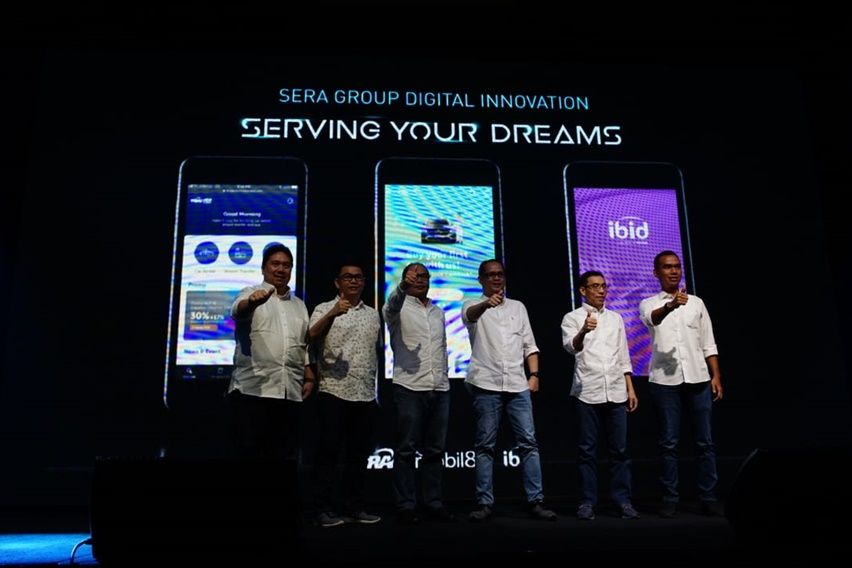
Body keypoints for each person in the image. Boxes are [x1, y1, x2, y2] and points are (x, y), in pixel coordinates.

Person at [463, 259, 557, 522]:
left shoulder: (518, 307)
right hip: (486, 383)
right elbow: (470, 316)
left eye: (500, 274)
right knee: (485, 446)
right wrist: (487, 304)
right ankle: (484, 503)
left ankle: (536, 501)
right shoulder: (471, 304)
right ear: (481, 279)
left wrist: (534, 375)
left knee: (529, 443)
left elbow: (529, 344)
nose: (496, 278)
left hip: (518, 384)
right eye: (490, 275)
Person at [639, 250, 723, 518]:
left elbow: (708, 342)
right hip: (665, 381)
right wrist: (671, 305)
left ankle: (708, 497)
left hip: (698, 378)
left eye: (676, 266)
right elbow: (652, 319)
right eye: (667, 267)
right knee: (669, 443)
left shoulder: (696, 303)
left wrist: (716, 376)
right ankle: (670, 499)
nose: (674, 271)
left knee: (705, 442)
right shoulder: (648, 303)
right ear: (656, 272)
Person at [309, 262, 383, 528]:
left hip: (365, 393)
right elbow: (310, 336)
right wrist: (332, 313)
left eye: (358, 277)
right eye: (347, 277)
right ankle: (322, 508)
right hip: (333, 390)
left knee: (358, 455)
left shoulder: (373, 314)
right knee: (328, 454)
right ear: (337, 282)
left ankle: (355, 507)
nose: (353, 281)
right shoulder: (323, 308)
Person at [561, 270, 640, 521]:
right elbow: (571, 347)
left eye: (604, 286)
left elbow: (623, 355)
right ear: (583, 290)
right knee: (587, 451)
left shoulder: (616, 318)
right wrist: (584, 330)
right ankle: (587, 502)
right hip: (587, 390)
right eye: (595, 286)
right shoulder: (572, 317)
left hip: (616, 389)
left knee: (620, 451)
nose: (601, 290)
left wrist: (630, 388)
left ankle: (623, 501)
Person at [227, 243, 315, 461]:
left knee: (284, 461)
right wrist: (251, 303)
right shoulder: (249, 293)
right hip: (252, 392)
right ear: (263, 268)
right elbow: (238, 311)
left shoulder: (300, 305)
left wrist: (309, 375)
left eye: (286, 265)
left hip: (289, 392)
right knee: (250, 460)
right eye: (275, 264)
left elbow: (303, 343)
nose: (281, 269)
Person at [383, 262, 454, 524]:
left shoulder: (438, 311)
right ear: (404, 280)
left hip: (440, 387)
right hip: (409, 387)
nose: (420, 279)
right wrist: (403, 287)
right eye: (414, 276)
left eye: (424, 276)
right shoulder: (396, 308)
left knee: (435, 450)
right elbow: (392, 303)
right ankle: (406, 505)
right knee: (406, 450)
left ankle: (432, 503)